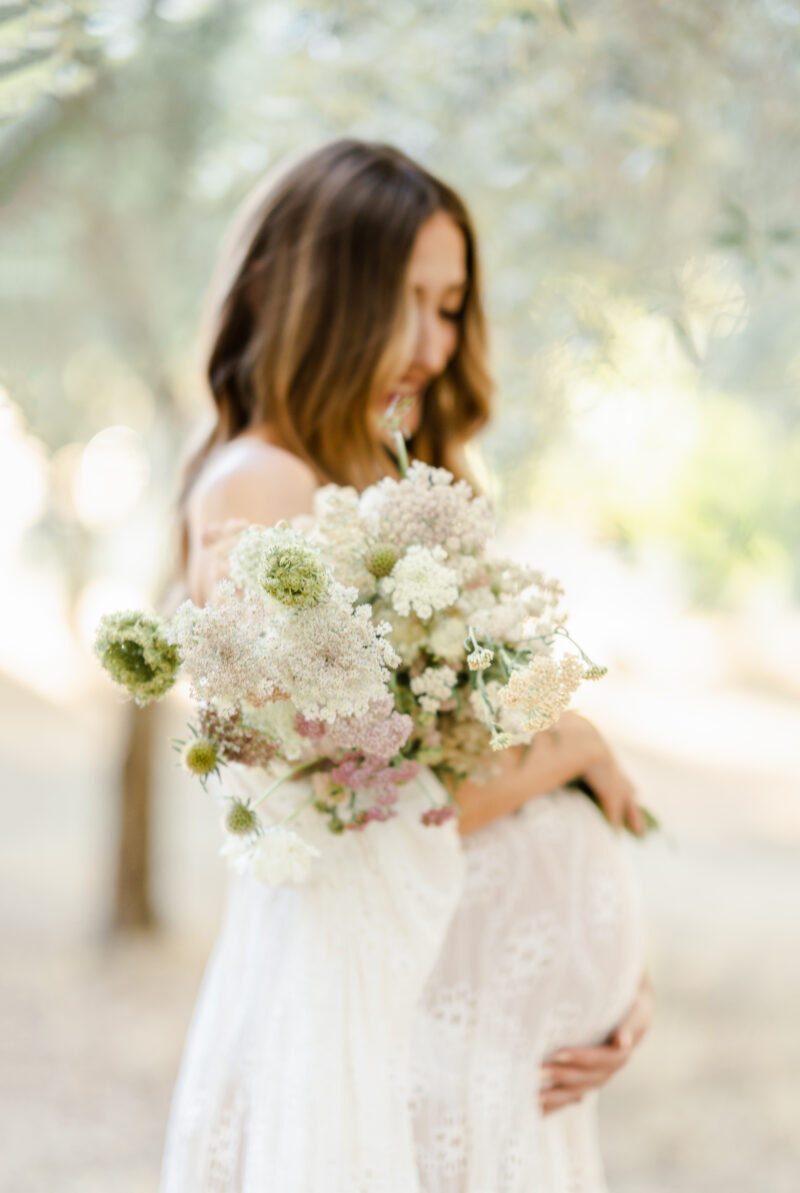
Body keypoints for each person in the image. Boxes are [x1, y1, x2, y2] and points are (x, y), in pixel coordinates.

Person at [161, 138, 652, 1193]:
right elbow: (354, 809)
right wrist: (572, 741)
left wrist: (602, 975)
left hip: (464, 1058)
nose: (433, 341)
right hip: (363, 1054)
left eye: (449, 304)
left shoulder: (379, 488)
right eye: (406, 300)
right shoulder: (258, 488)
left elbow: (461, 760)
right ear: (310, 295)